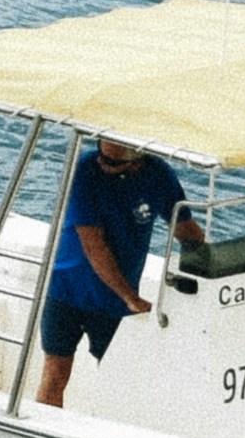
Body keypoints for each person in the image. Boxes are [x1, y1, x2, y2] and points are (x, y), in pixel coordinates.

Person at [34, 135, 206, 406]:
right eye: (101, 155)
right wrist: (130, 298)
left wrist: (208, 268)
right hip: (67, 289)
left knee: (118, 381)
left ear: (137, 160)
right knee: (55, 374)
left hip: (114, 303)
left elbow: (187, 231)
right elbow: (93, 244)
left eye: (112, 162)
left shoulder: (158, 175)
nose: (103, 164)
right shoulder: (85, 170)